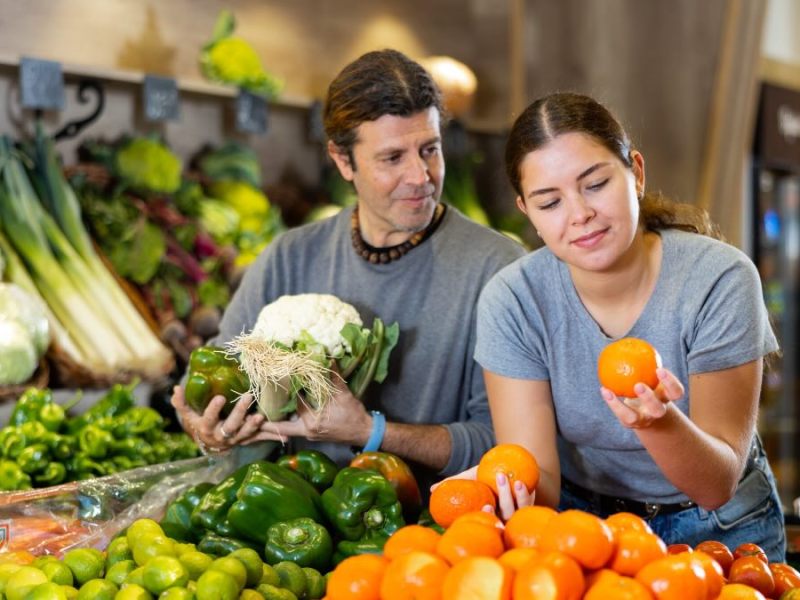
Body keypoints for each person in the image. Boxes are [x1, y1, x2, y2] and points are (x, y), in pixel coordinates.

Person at [170, 49, 525, 490]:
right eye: (393, 158)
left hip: (441, 534)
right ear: (342, 161)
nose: (420, 176)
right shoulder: (290, 257)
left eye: (429, 150)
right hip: (294, 526)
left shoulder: (500, 270)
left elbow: (508, 446)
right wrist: (208, 426)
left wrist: (368, 431)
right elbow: (210, 378)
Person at [469, 92, 785, 560]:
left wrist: (658, 424)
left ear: (635, 172)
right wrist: (512, 498)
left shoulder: (718, 279)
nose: (579, 214)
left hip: (725, 529)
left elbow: (716, 484)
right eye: (549, 202)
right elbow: (542, 478)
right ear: (527, 213)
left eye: (594, 183)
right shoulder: (514, 299)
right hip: (592, 530)